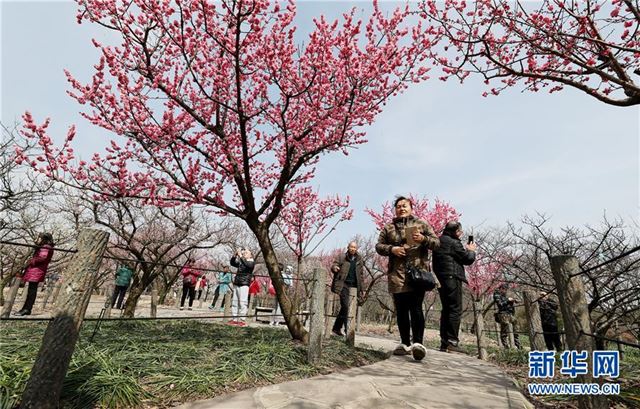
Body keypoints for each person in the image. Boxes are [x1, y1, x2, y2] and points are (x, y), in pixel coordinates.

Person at [375, 196, 440, 361]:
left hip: (417, 273)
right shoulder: (389, 227)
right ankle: (404, 343)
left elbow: (437, 243)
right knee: (402, 310)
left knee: (416, 308)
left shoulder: (421, 224)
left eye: (405, 205)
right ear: (395, 209)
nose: (401, 208)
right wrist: (392, 249)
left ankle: (418, 344)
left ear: (411, 208)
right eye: (398, 206)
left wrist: (423, 239)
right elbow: (379, 246)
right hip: (397, 274)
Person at [432, 221, 477, 353]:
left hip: (441, 279)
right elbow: (467, 259)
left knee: (446, 310)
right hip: (452, 278)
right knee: (455, 310)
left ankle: (444, 342)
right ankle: (452, 342)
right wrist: (471, 250)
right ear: (455, 231)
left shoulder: (438, 241)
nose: (461, 234)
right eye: (460, 231)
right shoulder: (454, 242)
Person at [14, 233, 55, 316]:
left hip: (36, 270)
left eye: (39, 238)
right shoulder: (45, 247)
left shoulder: (46, 247)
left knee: (32, 291)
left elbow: (42, 258)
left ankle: (27, 309)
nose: (38, 239)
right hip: (36, 270)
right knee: (31, 290)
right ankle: (26, 309)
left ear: (44, 239)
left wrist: (31, 261)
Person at [330, 241, 365, 337]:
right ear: (348, 247)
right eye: (351, 247)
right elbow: (334, 265)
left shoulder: (359, 259)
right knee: (346, 306)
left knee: (345, 308)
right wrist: (335, 268)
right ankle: (348, 330)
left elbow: (361, 275)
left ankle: (336, 328)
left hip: (354, 286)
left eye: (355, 247)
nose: (353, 249)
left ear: (356, 249)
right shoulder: (342, 257)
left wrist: (362, 289)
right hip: (343, 284)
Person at [229, 249, 255, 327]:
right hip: (237, 282)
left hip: (244, 284)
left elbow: (247, 265)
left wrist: (240, 256)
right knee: (234, 302)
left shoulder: (251, 262)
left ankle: (242, 320)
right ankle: (234, 319)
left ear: (251, 255)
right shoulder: (242, 261)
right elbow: (232, 263)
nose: (244, 254)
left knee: (243, 302)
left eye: (246, 253)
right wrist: (235, 255)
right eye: (244, 253)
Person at [493, 283, 522, 349]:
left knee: (516, 329)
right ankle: (506, 347)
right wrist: (508, 300)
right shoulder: (496, 294)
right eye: (503, 289)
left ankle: (519, 346)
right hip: (503, 314)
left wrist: (513, 300)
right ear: (500, 288)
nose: (505, 291)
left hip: (510, 313)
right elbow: (500, 304)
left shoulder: (504, 295)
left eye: (505, 289)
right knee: (504, 331)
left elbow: (507, 302)